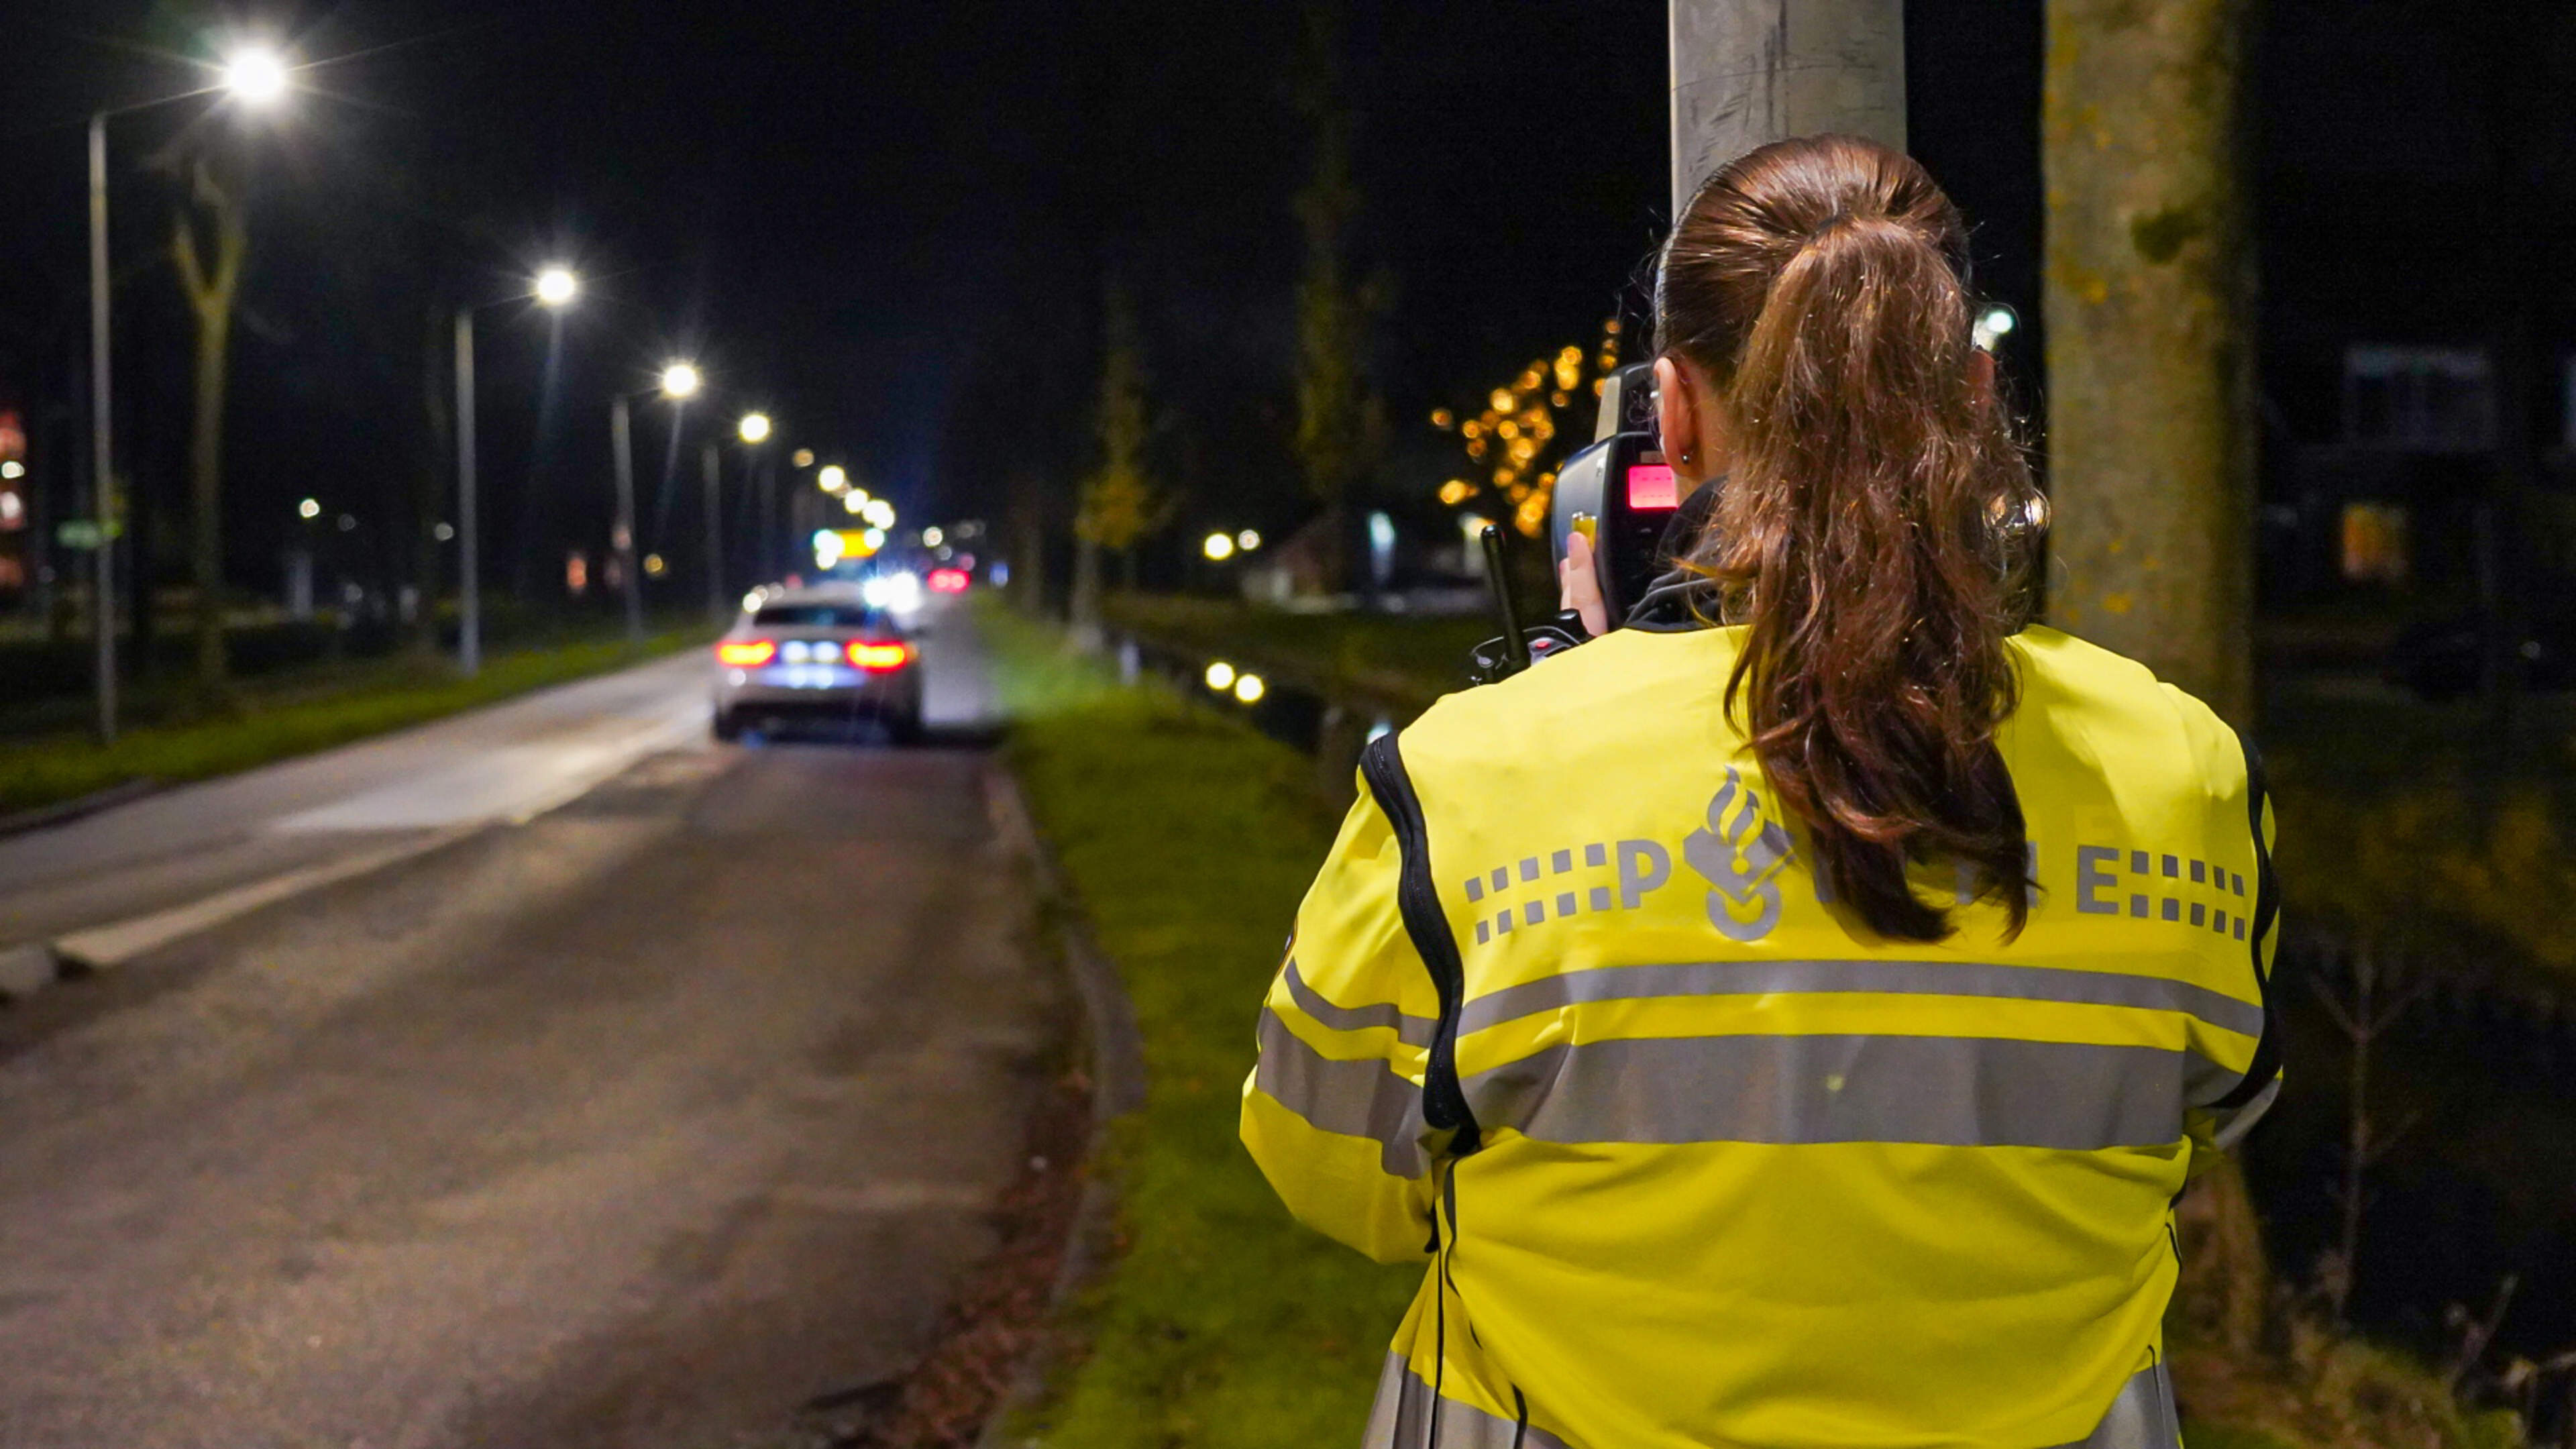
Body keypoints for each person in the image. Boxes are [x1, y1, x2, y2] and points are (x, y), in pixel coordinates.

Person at [1238, 133, 2278, 1449]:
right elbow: (2228, 1104)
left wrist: (1576, 693)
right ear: (1971, 387)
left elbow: (1325, 1166)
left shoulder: (1474, 777)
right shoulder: (2184, 771)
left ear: (1669, 412)